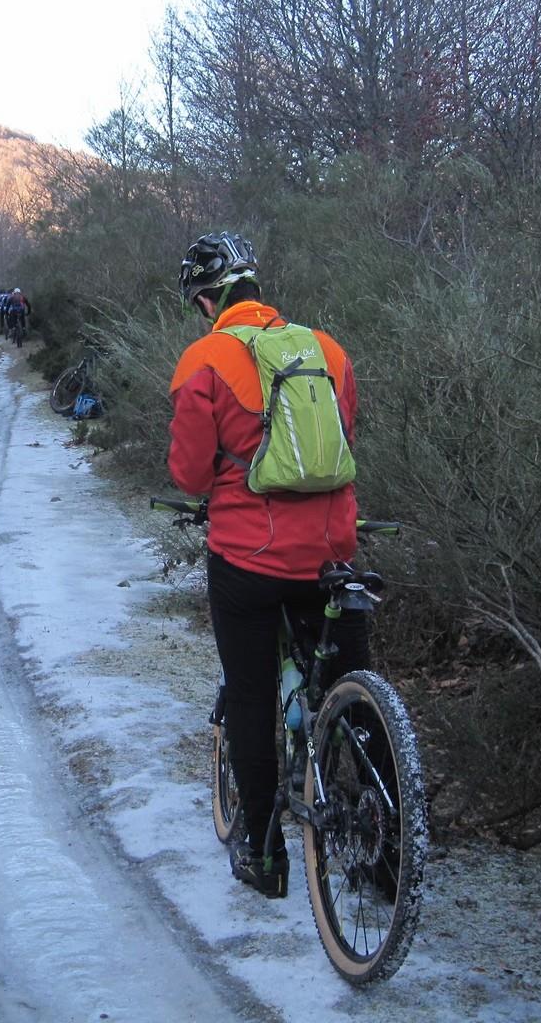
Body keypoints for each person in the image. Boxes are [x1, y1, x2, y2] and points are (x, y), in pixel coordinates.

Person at [166, 232, 360, 899]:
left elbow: (191, 474)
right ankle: (386, 858)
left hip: (249, 557)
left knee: (251, 697)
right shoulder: (328, 350)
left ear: (205, 300)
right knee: (352, 691)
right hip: (332, 552)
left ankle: (265, 855)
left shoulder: (205, 359)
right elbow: (342, 443)